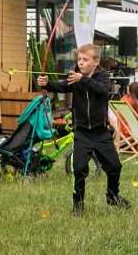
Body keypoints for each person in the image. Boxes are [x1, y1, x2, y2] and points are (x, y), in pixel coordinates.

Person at [38, 44, 130, 215]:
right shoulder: (75, 77)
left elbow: (103, 90)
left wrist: (83, 79)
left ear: (95, 62)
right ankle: (77, 206)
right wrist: (46, 83)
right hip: (82, 132)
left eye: (85, 60)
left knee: (114, 166)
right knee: (79, 169)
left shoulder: (102, 76)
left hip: (101, 132)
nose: (80, 62)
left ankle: (112, 195)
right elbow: (62, 86)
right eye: (79, 59)